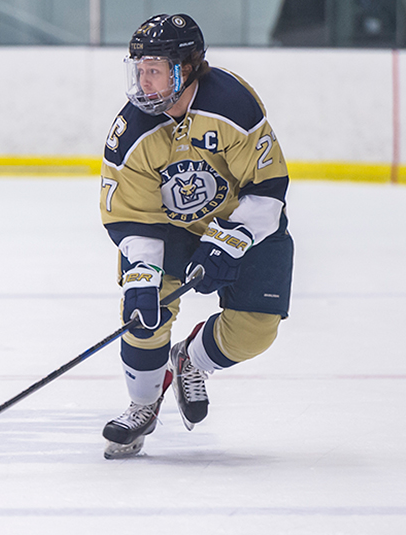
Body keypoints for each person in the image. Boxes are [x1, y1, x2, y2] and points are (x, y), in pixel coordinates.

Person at [99, 13, 294, 459]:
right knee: (144, 317)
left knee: (255, 332)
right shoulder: (131, 133)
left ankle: (192, 360)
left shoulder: (234, 106)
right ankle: (144, 405)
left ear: (187, 67)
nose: (144, 83)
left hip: (243, 223)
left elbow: (266, 189)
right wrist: (144, 279)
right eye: (140, 70)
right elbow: (132, 217)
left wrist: (227, 241)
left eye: (155, 70)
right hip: (167, 232)